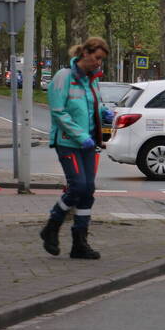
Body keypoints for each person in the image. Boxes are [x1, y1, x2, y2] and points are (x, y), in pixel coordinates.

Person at [39, 37, 114, 259]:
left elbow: (93, 105)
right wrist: (80, 136)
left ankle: (79, 243)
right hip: (68, 142)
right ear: (85, 53)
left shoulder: (92, 79)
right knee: (78, 186)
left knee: (88, 190)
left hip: (89, 142)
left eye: (102, 60)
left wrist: (104, 112)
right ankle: (52, 226)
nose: (99, 63)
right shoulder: (64, 77)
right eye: (97, 58)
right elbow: (58, 112)